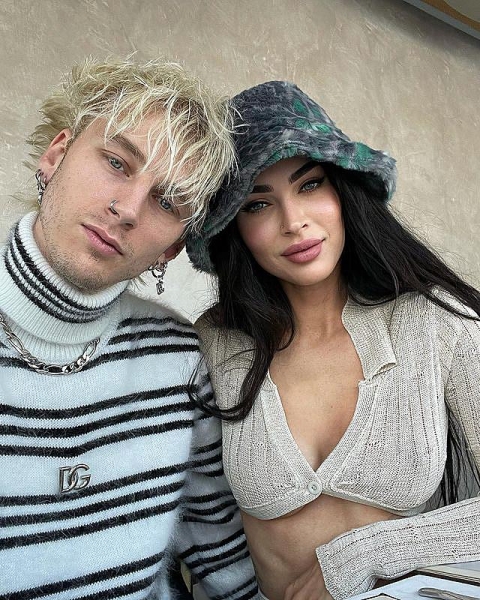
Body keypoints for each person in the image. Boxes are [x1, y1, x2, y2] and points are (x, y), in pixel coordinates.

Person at [186, 81, 480, 600]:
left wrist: (360, 557)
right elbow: (192, 517)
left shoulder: (434, 322)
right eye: (258, 204)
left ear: (342, 190)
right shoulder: (216, 346)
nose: (293, 222)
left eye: (309, 185)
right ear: (234, 227)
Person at [0, 57, 258, 600]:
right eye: (117, 162)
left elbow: (225, 561)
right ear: (55, 156)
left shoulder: (179, 358)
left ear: (172, 248)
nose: (128, 209)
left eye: (167, 201)